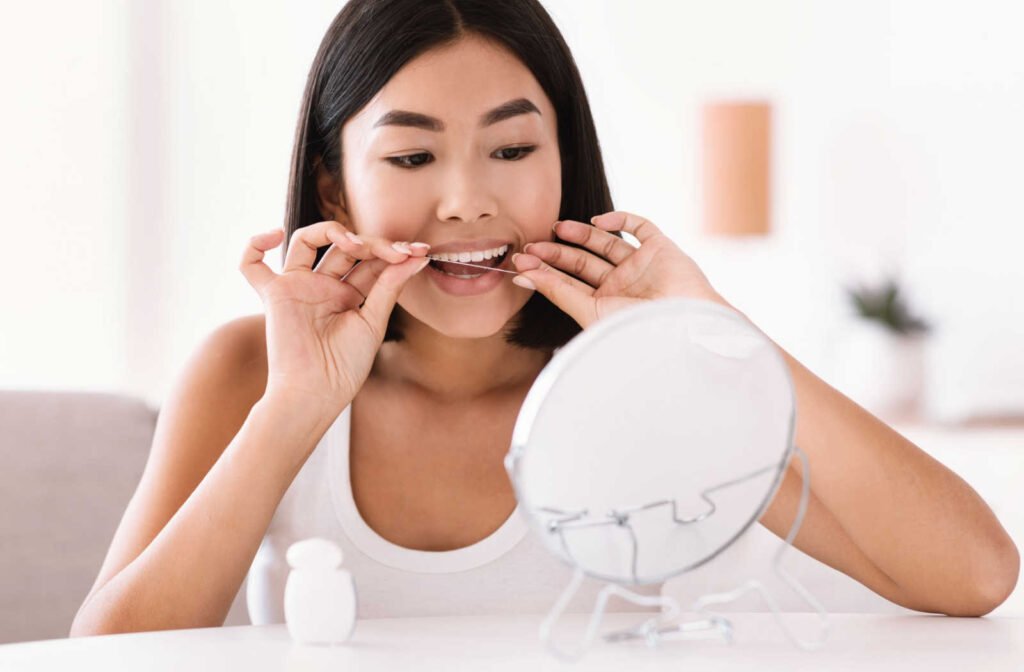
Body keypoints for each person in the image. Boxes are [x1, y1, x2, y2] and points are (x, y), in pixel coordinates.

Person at [71, 0, 1018, 636]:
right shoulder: (246, 374)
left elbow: (976, 576)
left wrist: (707, 332)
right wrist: (295, 407)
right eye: (410, 160)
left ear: (565, 160)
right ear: (336, 187)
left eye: (513, 147)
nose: (464, 201)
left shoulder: (655, 381)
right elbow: (103, 653)